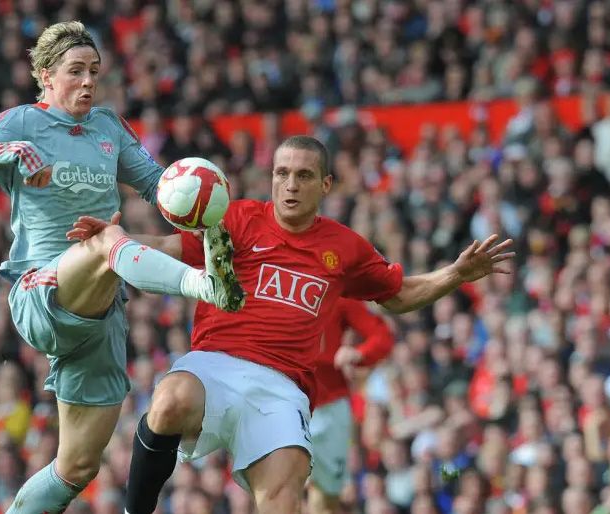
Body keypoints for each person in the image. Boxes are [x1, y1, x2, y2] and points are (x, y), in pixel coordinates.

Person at [71, 135, 514, 513]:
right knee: (168, 400)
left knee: (286, 500)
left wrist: (454, 274)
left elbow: (398, 295)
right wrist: (111, 240)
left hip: (283, 387)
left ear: (325, 185)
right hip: (215, 363)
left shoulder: (344, 247)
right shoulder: (238, 218)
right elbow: (169, 247)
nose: (290, 185)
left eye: (303, 176)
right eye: (282, 173)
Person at [0, 21, 244, 514]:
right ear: (46, 76)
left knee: (78, 467)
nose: (87, 82)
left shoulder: (107, 127)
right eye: (75, 71)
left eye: (95, 72)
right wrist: (13, 149)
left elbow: (155, 187)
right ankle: (204, 286)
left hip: (101, 311)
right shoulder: (22, 121)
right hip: (42, 288)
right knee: (107, 238)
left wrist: (201, 199)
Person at [309, 298, 396, 514]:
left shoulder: (337, 295)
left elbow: (382, 336)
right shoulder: (270, 285)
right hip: (285, 404)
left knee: (329, 497)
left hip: (329, 406)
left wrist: (360, 353)